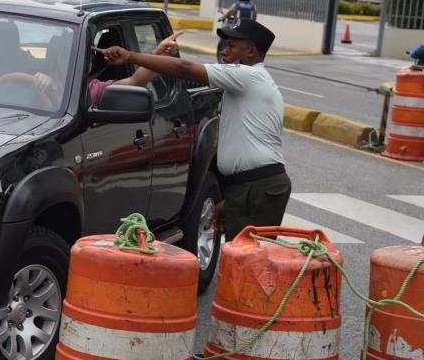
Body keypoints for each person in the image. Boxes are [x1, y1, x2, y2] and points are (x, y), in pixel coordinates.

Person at [94, 19, 290, 240]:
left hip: (258, 187)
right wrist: (233, 197)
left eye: (232, 46)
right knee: (243, 260)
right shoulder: (249, 81)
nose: (224, 51)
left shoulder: (248, 76)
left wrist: (130, 56)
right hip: (250, 186)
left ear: (252, 51)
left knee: (250, 263)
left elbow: (184, 68)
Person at [34, 31, 183, 106]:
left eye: (87, 56)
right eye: (70, 55)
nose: (83, 62)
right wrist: (38, 85)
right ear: (58, 59)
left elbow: (135, 81)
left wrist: (158, 54)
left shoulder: (92, 89)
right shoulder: (33, 80)